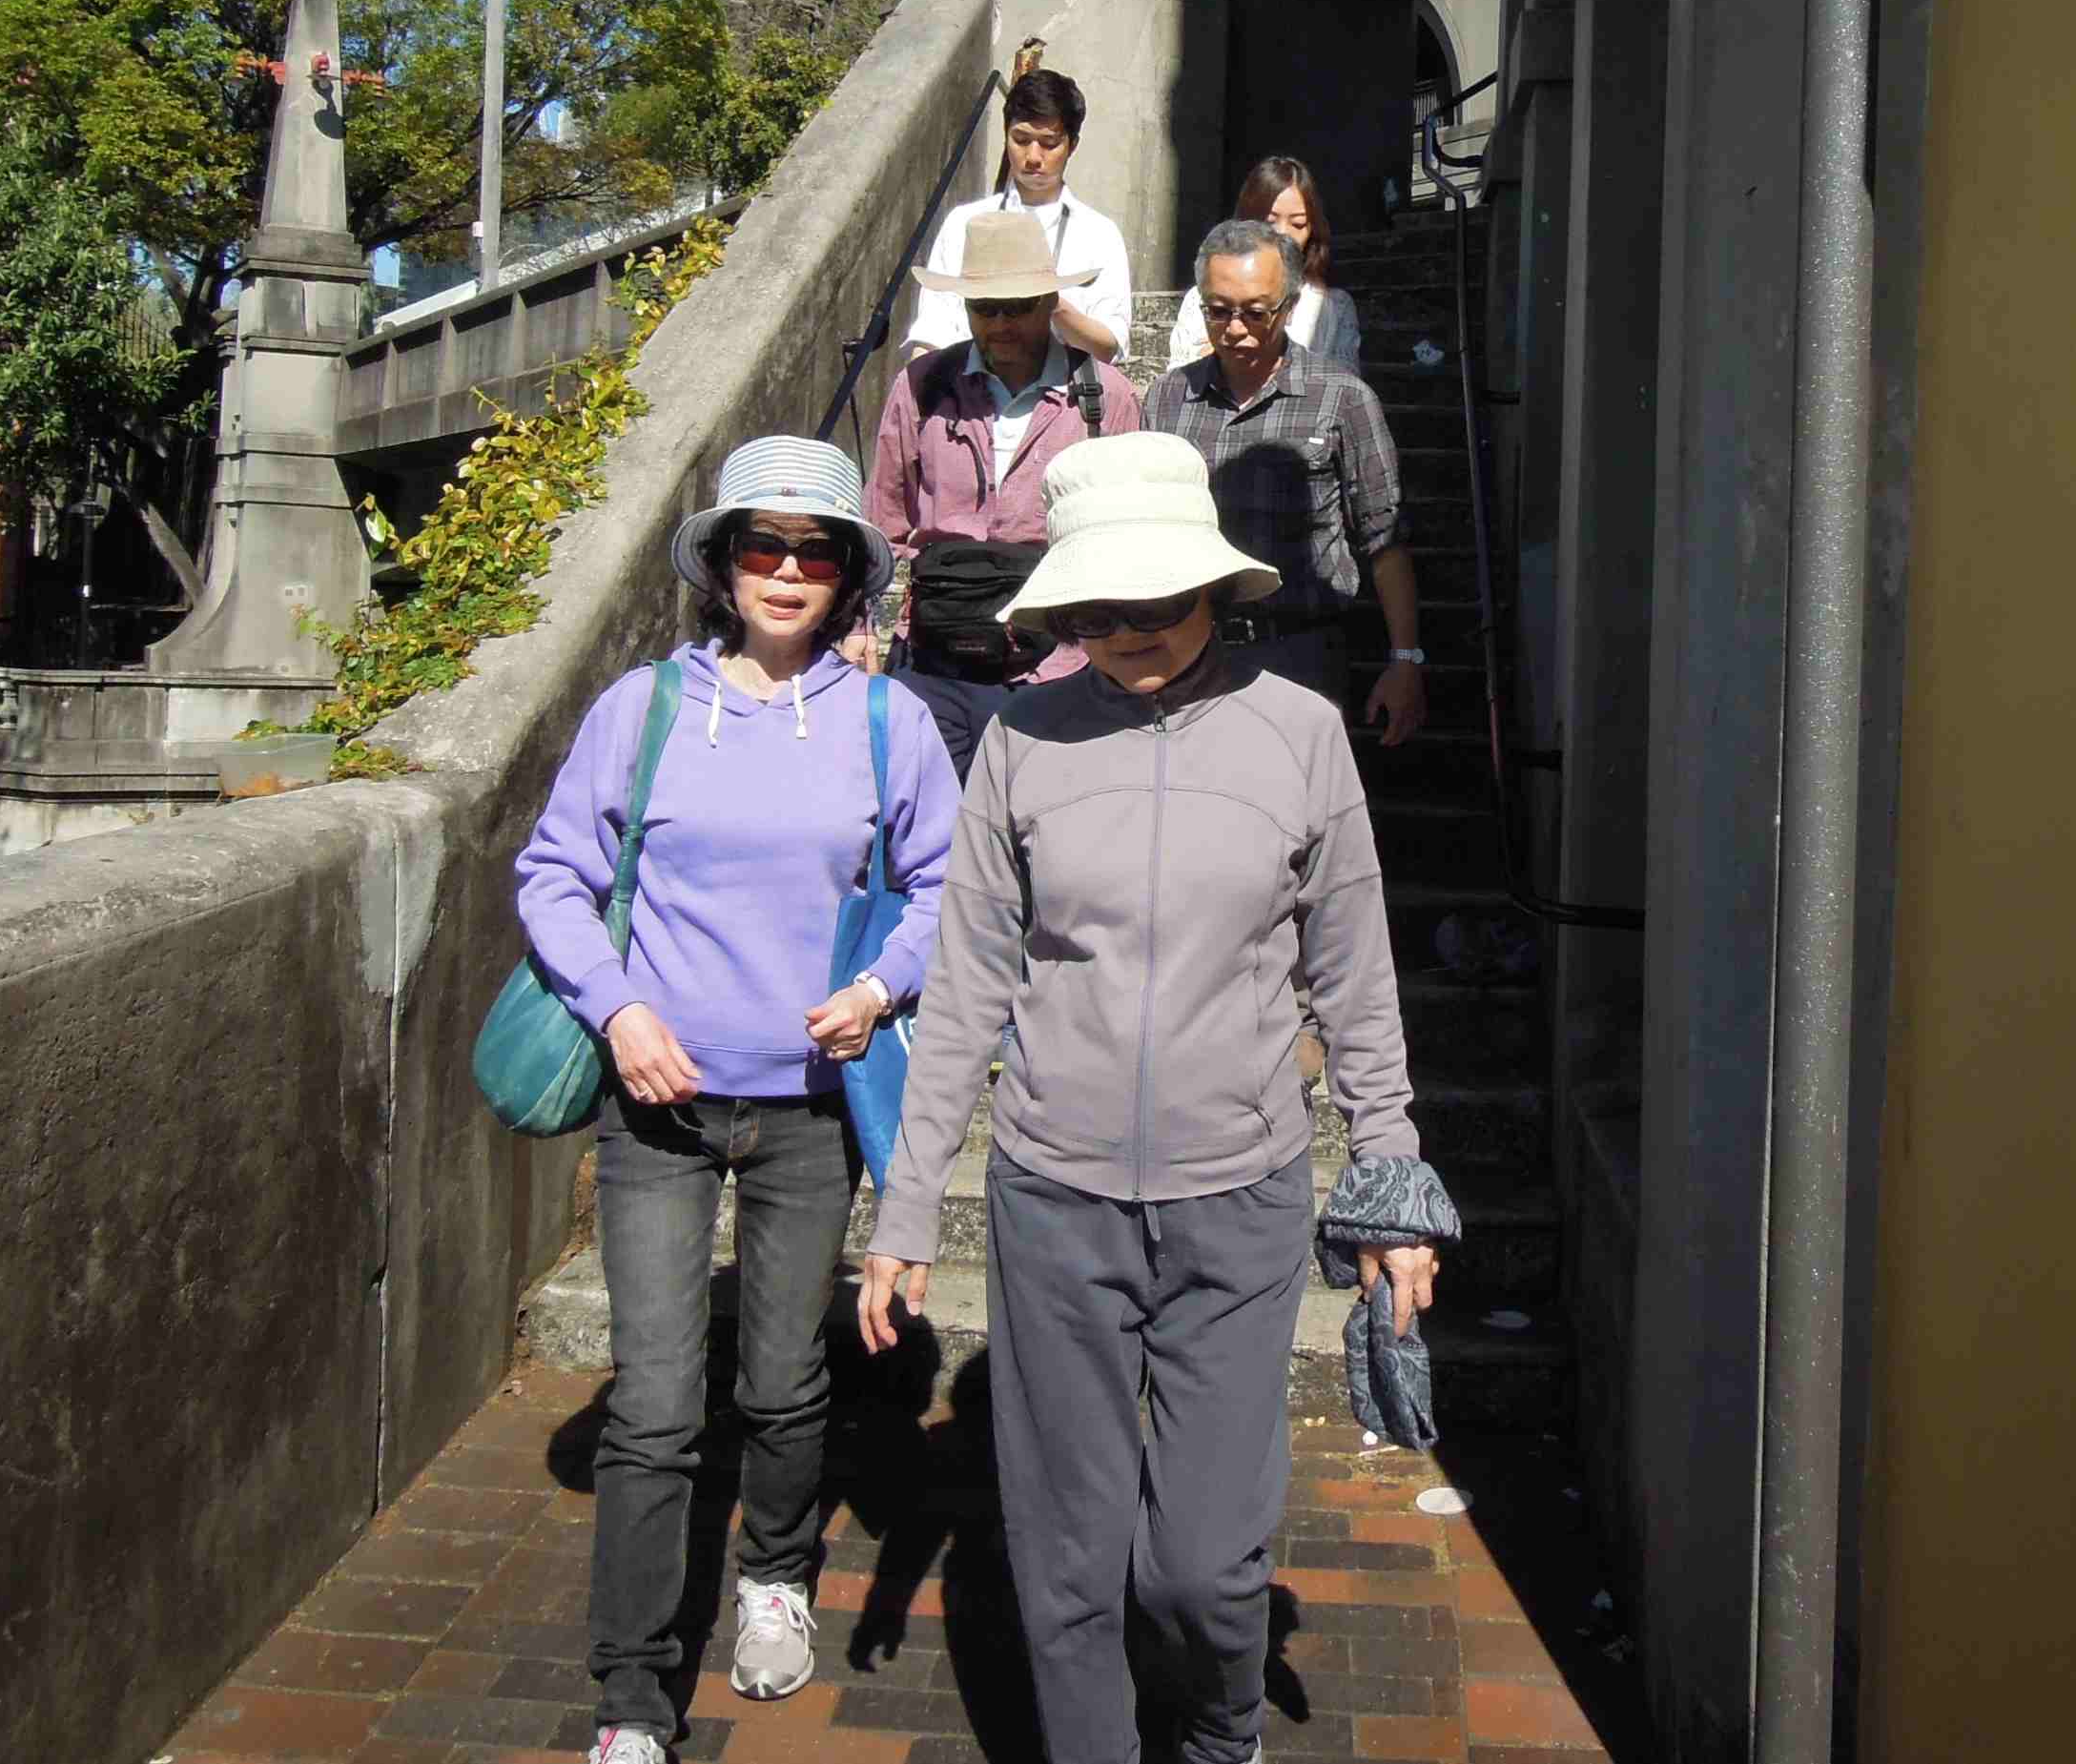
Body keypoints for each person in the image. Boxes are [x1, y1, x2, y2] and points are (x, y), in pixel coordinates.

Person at [855, 432, 1448, 1764]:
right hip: (1052, 1198)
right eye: (1098, 606)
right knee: (1067, 1565)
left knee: (1199, 1567)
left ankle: (1219, 1724)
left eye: (1159, 600)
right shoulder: (1017, 741)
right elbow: (961, 994)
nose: (1128, 630)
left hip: (1238, 1200)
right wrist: (902, 1213)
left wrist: (1392, 1186)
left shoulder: (1301, 736)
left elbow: (1356, 976)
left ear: (1215, 590)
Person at [515, 436, 960, 1764]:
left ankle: (774, 1570)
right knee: (654, 1406)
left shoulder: (891, 724)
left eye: (815, 548)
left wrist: (880, 986)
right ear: (719, 564)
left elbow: (945, 891)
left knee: (779, 1382)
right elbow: (550, 872)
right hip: (658, 1110)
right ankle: (631, 1697)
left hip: (810, 1109)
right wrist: (620, 1007)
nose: (786, 569)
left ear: (848, 573)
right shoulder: (641, 708)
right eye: (760, 545)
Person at [867, 207, 1143, 776]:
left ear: (1051, 304)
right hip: (933, 666)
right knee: (928, 844)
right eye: (983, 308)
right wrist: (860, 627)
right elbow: (883, 523)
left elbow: (1128, 539)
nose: (999, 325)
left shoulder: (1104, 398)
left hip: (1058, 668)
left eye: (1017, 307)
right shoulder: (921, 388)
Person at [1147, 218, 1429, 747]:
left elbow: (1386, 537)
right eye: (1218, 311)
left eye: (1256, 312)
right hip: (1185, 656)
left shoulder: (1342, 399)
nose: (1235, 329)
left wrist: (1406, 661)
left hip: (1298, 655)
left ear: (1290, 306)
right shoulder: (1166, 400)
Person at [902, 42, 1135, 364]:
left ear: (1072, 145)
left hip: (1060, 400)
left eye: (1049, 143)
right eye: (1021, 140)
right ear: (1005, 135)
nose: (1033, 157)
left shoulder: (1099, 233)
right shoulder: (964, 221)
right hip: (971, 396)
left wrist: (1050, 302)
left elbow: (1110, 346)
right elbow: (933, 330)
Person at [1168, 154, 1364, 372]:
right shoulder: (1201, 299)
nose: (1283, 234)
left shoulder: (1334, 307)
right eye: (1269, 222)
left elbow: (1345, 386)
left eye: (1298, 224)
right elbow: (1180, 378)